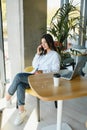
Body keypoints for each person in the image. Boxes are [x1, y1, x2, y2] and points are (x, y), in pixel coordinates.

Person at [5, 33, 61, 125]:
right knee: (20, 85)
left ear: (50, 42)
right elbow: (34, 65)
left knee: (18, 76)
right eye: (42, 43)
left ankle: (8, 96)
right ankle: (21, 112)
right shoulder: (42, 54)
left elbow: (56, 71)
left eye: (45, 42)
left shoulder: (54, 55)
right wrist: (37, 54)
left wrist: (43, 71)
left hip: (43, 80)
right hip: (34, 77)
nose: (43, 44)